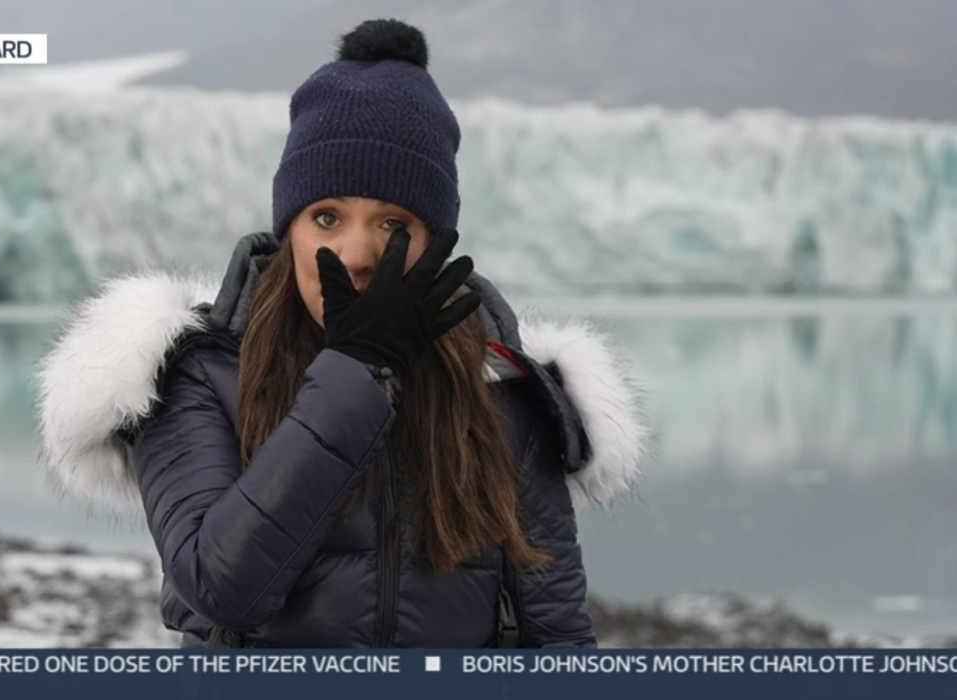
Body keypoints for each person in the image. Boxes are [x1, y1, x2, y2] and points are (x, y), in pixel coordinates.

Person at [37, 18, 645, 648]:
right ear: (289, 233)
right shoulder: (196, 376)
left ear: (435, 243)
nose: (357, 255)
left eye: (393, 224)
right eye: (327, 218)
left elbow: (557, 639)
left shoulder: (504, 394)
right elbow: (220, 590)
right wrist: (358, 373)